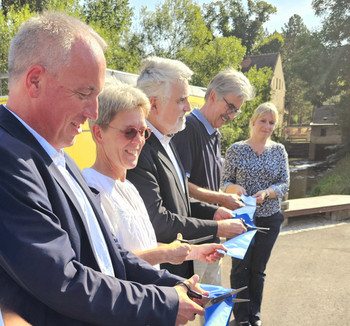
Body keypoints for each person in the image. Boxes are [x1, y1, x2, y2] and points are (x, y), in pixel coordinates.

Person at [0, 12, 211, 326]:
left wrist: (172, 285)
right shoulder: (8, 159)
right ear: (35, 81)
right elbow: (63, 280)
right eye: (85, 94)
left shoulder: (60, 157)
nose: (93, 112)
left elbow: (110, 253)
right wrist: (163, 303)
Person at [83, 78, 226, 268]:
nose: (138, 141)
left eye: (143, 132)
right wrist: (166, 253)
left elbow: (144, 245)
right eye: (129, 132)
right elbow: (109, 262)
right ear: (99, 133)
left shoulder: (129, 188)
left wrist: (196, 252)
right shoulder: (92, 190)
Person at [127, 56, 247, 279]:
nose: (188, 107)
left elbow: (179, 200)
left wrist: (214, 212)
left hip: (178, 269)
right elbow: (159, 221)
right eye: (181, 100)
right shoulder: (139, 149)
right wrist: (217, 228)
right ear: (154, 104)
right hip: (160, 277)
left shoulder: (166, 140)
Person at [172, 68, 255, 285]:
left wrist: (227, 197)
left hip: (212, 238)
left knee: (213, 308)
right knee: (192, 308)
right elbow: (181, 186)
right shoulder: (188, 128)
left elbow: (205, 183)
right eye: (230, 108)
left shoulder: (214, 134)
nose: (231, 116)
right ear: (212, 96)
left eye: (236, 111)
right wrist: (222, 200)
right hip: (194, 242)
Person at [221, 102, 290, 326]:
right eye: (263, 120)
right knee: (240, 268)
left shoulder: (279, 151)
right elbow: (224, 182)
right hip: (240, 218)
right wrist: (234, 188)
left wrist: (268, 193)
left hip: (269, 218)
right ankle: (241, 318)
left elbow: (284, 184)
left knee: (258, 270)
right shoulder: (235, 149)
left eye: (271, 122)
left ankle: (254, 317)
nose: (267, 126)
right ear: (253, 121)